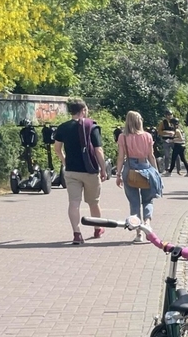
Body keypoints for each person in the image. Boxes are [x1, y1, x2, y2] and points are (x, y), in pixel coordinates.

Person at [53, 99, 108, 245]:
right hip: (90, 170)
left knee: (74, 202)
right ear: (83, 110)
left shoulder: (63, 127)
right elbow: (98, 150)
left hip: (71, 171)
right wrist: (103, 169)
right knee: (93, 202)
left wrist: (64, 161)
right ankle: (97, 229)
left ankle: (77, 234)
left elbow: (57, 148)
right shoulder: (91, 126)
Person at [115, 112, 163, 244]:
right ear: (139, 121)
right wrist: (156, 173)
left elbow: (120, 157)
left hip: (129, 169)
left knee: (134, 202)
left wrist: (118, 174)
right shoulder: (147, 136)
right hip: (145, 168)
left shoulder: (123, 137)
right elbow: (151, 156)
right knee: (148, 200)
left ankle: (138, 233)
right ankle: (147, 223)